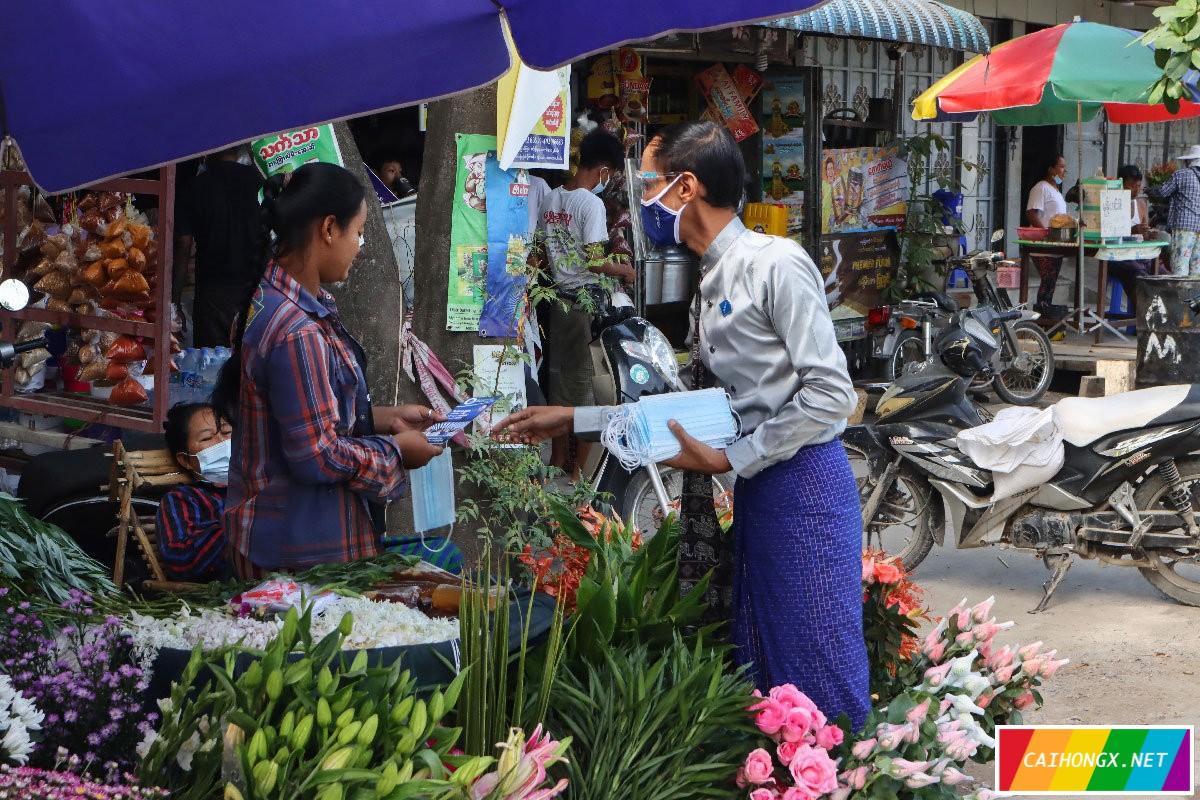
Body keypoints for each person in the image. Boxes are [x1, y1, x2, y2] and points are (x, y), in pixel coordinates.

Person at [497, 121, 869, 728]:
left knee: (817, 675)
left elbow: (831, 395)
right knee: (766, 676)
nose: (638, 196)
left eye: (646, 181)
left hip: (804, 490)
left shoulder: (774, 263)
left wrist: (732, 460)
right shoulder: (712, 275)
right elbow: (701, 411)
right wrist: (573, 418)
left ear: (685, 187)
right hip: (763, 492)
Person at [211, 162, 444, 579]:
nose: (361, 244)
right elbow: (316, 455)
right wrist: (396, 453)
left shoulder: (275, 301)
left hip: (278, 533)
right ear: (329, 229)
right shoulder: (296, 330)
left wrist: (381, 419)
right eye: (358, 231)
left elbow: (296, 418)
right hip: (297, 553)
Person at [533, 129, 635, 480]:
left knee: (560, 386)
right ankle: (578, 475)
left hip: (556, 303)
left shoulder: (551, 199)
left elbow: (541, 254)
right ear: (604, 170)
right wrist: (624, 270)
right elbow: (594, 260)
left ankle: (557, 461)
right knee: (588, 393)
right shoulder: (589, 204)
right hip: (582, 307)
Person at [173, 145, 267, 347]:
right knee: (256, 362)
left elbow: (183, 246)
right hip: (259, 291)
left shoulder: (192, 188)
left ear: (207, 152)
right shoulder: (259, 181)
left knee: (212, 367)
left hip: (213, 298)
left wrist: (175, 301)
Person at [157, 402, 233, 581]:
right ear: (185, 460)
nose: (222, 442)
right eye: (207, 438)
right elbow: (180, 559)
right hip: (223, 597)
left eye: (227, 432)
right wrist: (242, 525)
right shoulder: (183, 499)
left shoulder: (257, 487)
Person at [1025, 153, 1069, 320]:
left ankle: (1044, 317)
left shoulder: (1056, 190)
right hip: (1043, 245)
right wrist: (1044, 232)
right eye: (1062, 167)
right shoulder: (1041, 188)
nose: (1065, 170)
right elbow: (1031, 213)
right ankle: (1040, 318)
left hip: (1055, 244)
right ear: (1051, 169)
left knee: (1050, 283)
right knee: (1047, 281)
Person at [1107, 165, 1155, 315]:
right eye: (1131, 185)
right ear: (1121, 184)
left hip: (1138, 254)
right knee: (1138, 274)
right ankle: (1143, 318)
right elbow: (1109, 232)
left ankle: (1154, 316)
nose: (1136, 190)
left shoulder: (1141, 205)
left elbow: (1144, 234)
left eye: (1138, 186)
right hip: (1117, 256)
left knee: (1160, 272)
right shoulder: (1112, 203)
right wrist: (1133, 230)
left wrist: (1150, 234)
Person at [1148, 145, 1200, 276]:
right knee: (1197, 268)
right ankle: (1194, 296)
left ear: (1189, 161)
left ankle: (1180, 296)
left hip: (1184, 227)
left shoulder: (1181, 174)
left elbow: (1163, 192)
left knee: (1180, 264)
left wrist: (1150, 189)